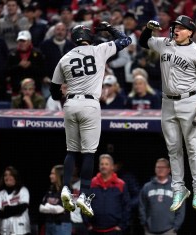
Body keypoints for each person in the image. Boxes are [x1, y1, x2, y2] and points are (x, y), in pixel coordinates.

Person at [50, 22, 131, 217]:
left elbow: (54, 92)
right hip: (90, 104)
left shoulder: (65, 58)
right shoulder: (99, 49)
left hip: (70, 104)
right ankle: (84, 195)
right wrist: (109, 28)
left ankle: (66, 189)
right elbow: (126, 40)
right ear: (88, 36)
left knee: (71, 150)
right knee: (88, 153)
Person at [139, 15, 196, 210]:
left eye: (181, 28)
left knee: (192, 147)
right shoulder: (165, 43)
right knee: (173, 149)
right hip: (167, 103)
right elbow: (143, 42)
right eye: (175, 27)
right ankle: (179, 189)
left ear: (190, 32)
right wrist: (148, 28)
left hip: (189, 101)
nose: (176, 30)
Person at [139, 158, 186, 235]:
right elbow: (142, 206)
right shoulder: (147, 187)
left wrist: (176, 227)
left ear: (169, 170)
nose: (160, 169)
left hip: (169, 230)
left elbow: (180, 211)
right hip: (150, 230)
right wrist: (144, 222)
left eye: (163, 167)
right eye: (158, 167)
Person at [86, 154, 130, 234]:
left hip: (114, 230)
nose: (103, 166)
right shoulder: (92, 183)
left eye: (106, 164)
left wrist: (121, 226)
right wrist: (87, 224)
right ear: (99, 166)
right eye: (101, 164)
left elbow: (126, 207)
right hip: (94, 230)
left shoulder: (120, 184)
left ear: (112, 167)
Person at [0, 166, 31, 235]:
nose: (7, 177)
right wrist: (14, 209)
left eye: (11, 175)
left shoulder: (23, 190)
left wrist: (6, 208)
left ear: (15, 177)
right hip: (5, 231)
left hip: (21, 230)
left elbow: (21, 209)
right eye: (5, 175)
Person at [39, 165, 72, 235]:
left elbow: (60, 209)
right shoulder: (50, 189)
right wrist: (53, 208)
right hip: (49, 224)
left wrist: (47, 206)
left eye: (52, 174)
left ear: (59, 175)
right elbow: (41, 208)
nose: (50, 176)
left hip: (62, 226)